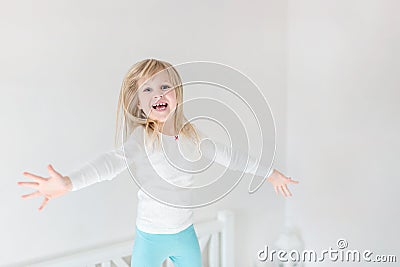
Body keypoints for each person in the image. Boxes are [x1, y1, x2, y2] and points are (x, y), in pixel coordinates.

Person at [17, 58, 299, 267]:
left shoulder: (193, 137)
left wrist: (269, 173)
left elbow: (231, 157)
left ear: (177, 94)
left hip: (185, 235)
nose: (158, 94)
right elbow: (110, 163)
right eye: (148, 90)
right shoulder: (142, 140)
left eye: (165, 86)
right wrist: (69, 182)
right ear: (139, 104)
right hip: (151, 238)